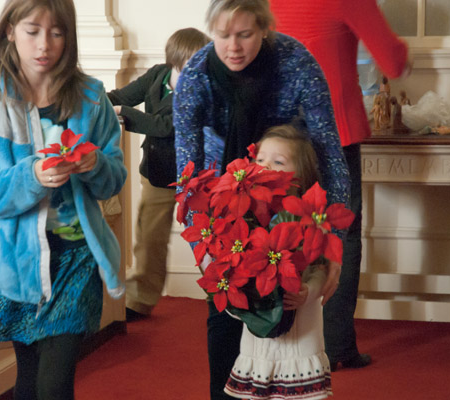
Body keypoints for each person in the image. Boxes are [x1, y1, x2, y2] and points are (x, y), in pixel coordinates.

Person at [172, 1, 349, 398]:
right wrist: (202, 244)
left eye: (245, 34)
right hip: (226, 200)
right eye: (222, 35)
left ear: (265, 29)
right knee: (223, 311)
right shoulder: (197, 76)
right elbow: (188, 174)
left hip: (288, 197)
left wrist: (334, 247)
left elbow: (329, 152)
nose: (232, 46)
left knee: (286, 309)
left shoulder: (296, 62)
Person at [0, 0, 127, 398]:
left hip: (76, 257)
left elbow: (113, 179)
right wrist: (31, 175)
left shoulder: (91, 97)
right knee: (29, 380)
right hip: (16, 261)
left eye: (57, 32)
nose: (44, 45)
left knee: (54, 384)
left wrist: (95, 163)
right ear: (10, 31)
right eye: (33, 31)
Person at [269, 0, 411, 371]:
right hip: (336, 129)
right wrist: (404, 58)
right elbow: (393, 61)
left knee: (283, 231)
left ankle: (280, 338)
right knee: (340, 236)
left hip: (280, 133)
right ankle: (336, 347)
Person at [107, 28, 210, 320]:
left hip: (195, 178)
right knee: (149, 237)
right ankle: (139, 301)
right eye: (190, 61)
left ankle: (223, 293)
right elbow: (119, 95)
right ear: (174, 60)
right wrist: (94, 102)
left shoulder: (200, 89)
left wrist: (122, 111)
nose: (197, 68)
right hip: (156, 173)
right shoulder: (157, 75)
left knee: (208, 237)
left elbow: (163, 126)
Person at [225, 123, 332, 400]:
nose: (265, 166)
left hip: (301, 332)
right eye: (260, 159)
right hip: (258, 340)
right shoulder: (246, 215)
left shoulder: (311, 216)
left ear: (301, 173)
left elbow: (321, 268)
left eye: (278, 161)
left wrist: (309, 293)